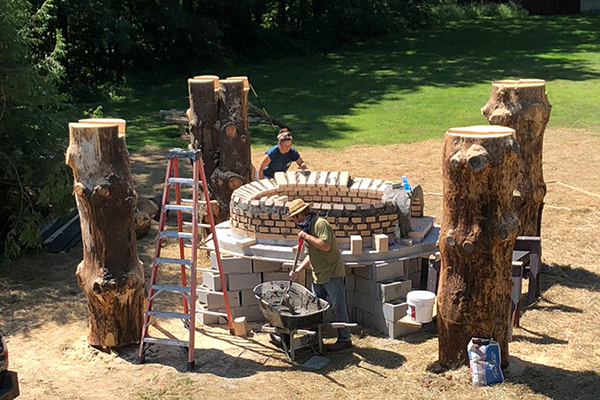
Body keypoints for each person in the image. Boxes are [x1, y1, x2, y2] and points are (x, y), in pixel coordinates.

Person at [287, 198, 352, 351]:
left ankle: (345, 339)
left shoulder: (319, 224)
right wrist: (298, 271)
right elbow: (310, 256)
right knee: (314, 308)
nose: (295, 221)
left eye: (295, 217)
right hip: (318, 275)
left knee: (338, 307)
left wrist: (306, 236)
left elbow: (325, 245)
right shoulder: (307, 228)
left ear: (301, 214)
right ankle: (314, 338)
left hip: (332, 272)